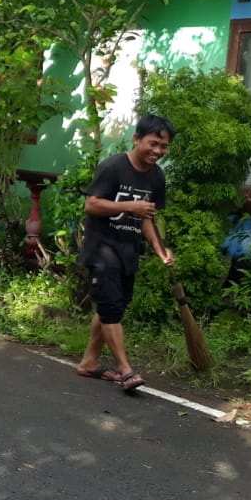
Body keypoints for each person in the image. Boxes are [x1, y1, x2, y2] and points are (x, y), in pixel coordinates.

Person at [75, 114, 176, 393]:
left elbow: (147, 218)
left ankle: (89, 362)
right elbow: (92, 205)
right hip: (102, 248)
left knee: (114, 307)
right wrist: (130, 207)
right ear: (136, 139)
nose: (157, 151)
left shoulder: (157, 177)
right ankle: (125, 369)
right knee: (110, 309)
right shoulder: (114, 166)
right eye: (152, 143)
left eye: (163, 147)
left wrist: (160, 250)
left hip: (128, 250)